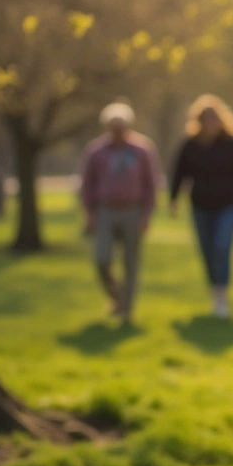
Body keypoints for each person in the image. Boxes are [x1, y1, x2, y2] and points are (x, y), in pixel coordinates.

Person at [169, 95, 233, 318]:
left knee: (221, 247)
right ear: (198, 121)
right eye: (206, 119)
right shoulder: (190, 145)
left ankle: (222, 295)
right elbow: (179, 173)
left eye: (214, 119)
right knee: (207, 251)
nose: (210, 123)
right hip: (200, 205)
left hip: (228, 205)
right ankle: (214, 289)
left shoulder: (231, 144)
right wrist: (173, 199)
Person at [80, 102, 160, 326]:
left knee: (131, 261)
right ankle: (116, 296)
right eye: (113, 127)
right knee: (102, 258)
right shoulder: (96, 152)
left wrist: (147, 215)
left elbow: (151, 185)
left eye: (121, 126)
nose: (117, 131)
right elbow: (86, 184)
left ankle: (126, 310)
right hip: (104, 210)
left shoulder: (142, 149)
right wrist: (88, 213)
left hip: (133, 210)